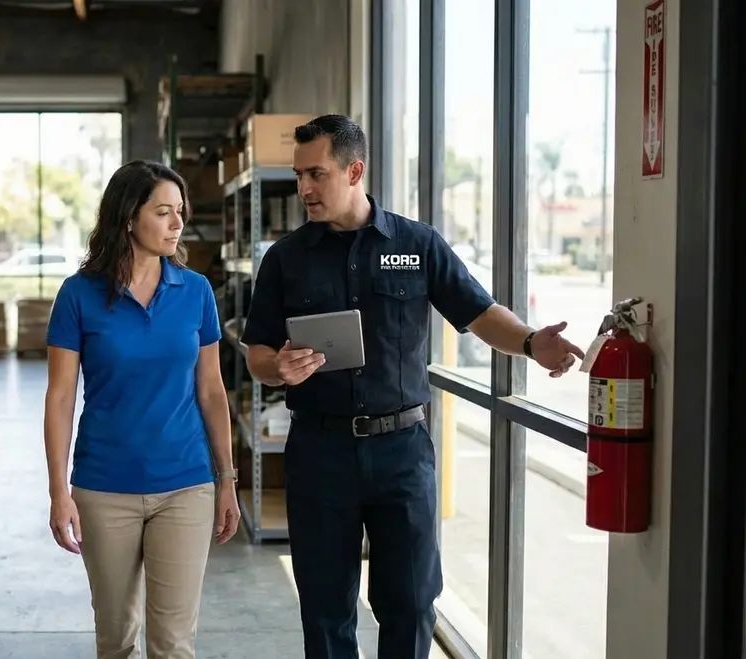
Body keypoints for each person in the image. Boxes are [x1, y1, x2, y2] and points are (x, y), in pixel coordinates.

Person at [240, 115, 585, 659]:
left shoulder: (417, 244)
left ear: (355, 171)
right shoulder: (286, 258)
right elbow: (256, 350)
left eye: (316, 174)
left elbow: (477, 310)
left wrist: (528, 341)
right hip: (320, 453)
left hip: (401, 452)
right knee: (326, 608)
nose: (303, 188)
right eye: (298, 174)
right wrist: (275, 367)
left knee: (411, 601)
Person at [44, 159, 242, 659]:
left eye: (180, 212)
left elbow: (212, 392)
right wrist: (58, 492)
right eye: (163, 212)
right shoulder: (78, 295)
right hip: (104, 487)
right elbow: (61, 396)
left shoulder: (195, 291)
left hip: (186, 485)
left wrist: (228, 481)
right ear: (129, 217)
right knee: (115, 639)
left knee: (173, 644)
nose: (177, 224)